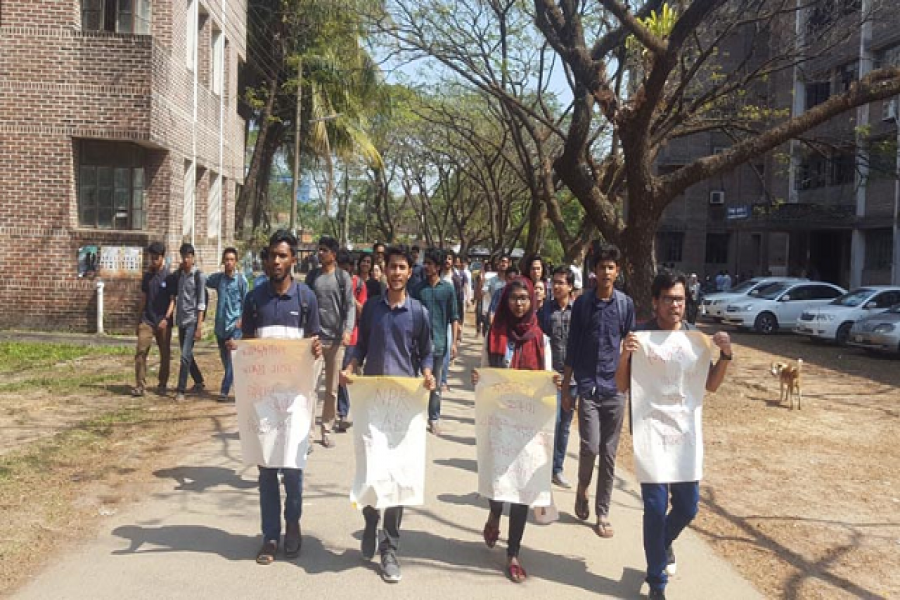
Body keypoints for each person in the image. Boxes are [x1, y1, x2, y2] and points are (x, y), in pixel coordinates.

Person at [614, 271, 732, 600]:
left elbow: (711, 385)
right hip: (650, 433)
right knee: (654, 507)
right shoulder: (640, 335)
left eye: (680, 299)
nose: (675, 305)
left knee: (688, 507)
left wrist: (725, 355)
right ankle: (657, 582)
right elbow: (621, 384)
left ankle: (662, 541)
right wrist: (625, 354)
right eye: (668, 298)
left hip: (684, 437)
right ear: (655, 301)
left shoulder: (695, 339)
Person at [340, 246, 435, 584]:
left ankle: (390, 548)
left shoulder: (419, 313)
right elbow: (360, 346)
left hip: (404, 408)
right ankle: (369, 519)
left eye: (402, 267)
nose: (396, 272)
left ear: (410, 272)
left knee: (398, 476)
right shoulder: (372, 312)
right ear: (385, 270)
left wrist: (427, 372)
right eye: (391, 267)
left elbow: (427, 352)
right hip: (372, 404)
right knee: (371, 468)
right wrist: (350, 365)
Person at [235, 230, 323, 566]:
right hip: (264, 400)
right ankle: (270, 535)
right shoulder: (255, 299)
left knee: (293, 468)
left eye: (283, 256)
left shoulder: (305, 298)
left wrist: (315, 349)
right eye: (272, 255)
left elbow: (314, 344)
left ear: (293, 259)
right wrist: (238, 351)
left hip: (296, 399)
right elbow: (248, 346)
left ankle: (293, 523)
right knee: (267, 468)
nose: (276, 261)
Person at [472, 277, 552, 584]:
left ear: (532, 301)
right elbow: (483, 372)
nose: (519, 303)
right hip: (499, 421)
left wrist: (553, 383)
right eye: (513, 298)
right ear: (505, 301)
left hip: (528, 425)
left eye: (524, 298)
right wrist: (478, 379)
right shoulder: (495, 334)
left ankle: (513, 552)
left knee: (521, 487)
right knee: (498, 477)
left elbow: (547, 377)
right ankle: (494, 512)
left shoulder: (540, 339)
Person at [561, 242, 635, 538]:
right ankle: (582, 488)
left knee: (609, 453)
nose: (606, 271)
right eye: (602, 266)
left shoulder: (625, 305)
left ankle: (603, 512)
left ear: (617, 272)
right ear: (594, 272)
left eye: (611, 267)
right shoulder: (582, 303)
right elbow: (574, 345)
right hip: (588, 386)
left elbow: (630, 344)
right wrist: (567, 387)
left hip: (615, 388)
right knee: (590, 447)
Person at [305, 236, 356, 448]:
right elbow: (304, 303)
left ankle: (326, 429)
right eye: (319, 250)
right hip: (315, 341)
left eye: (324, 250)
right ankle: (307, 437)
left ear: (333, 255)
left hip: (336, 342)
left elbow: (350, 306)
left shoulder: (342, 277)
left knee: (332, 390)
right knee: (310, 389)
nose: (320, 253)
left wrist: (347, 330)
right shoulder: (312, 277)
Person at [410, 248, 460, 435]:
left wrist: (454, 342)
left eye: (430, 263)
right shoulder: (417, 289)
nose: (426, 266)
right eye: (425, 263)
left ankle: (434, 418)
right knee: (417, 381)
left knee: (436, 384)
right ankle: (416, 417)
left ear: (438, 267)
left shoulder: (447, 289)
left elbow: (454, 317)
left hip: (439, 344)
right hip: (418, 345)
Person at [538, 266, 575, 488]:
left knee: (565, 425)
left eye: (561, 282)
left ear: (570, 286)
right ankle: (543, 465)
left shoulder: (578, 311)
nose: (556, 286)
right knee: (551, 422)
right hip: (550, 377)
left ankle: (557, 468)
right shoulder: (544, 312)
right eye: (554, 282)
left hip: (573, 379)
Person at [206, 247, 248, 401]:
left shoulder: (241, 280)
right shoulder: (219, 279)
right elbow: (205, 280)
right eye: (226, 260)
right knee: (225, 359)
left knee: (232, 359)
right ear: (223, 261)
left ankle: (224, 390)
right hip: (220, 326)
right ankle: (238, 383)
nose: (229, 263)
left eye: (232, 259)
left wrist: (242, 321)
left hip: (235, 326)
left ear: (236, 262)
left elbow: (246, 302)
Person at [168, 243, 207, 403]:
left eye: (188, 257)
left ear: (193, 258)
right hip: (181, 320)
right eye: (183, 256)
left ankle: (181, 390)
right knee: (187, 354)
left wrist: (199, 326)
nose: (185, 260)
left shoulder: (199, 276)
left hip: (192, 320)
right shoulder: (179, 275)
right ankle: (198, 381)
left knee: (184, 356)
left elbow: (201, 302)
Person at [132, 241, 173, 397]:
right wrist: (139, 318)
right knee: (141, 351)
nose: (153, 260)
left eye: (156, 257)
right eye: (152, 257)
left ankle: (162, 383)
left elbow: (172, 300)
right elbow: (143, 297)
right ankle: (140, 385)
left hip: (163, 321)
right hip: (147, 320)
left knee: (165, 353)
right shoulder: (147, 276)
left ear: (163, 257)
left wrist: (166, 319)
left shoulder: (169, 277)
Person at [336, 249, 367, 432]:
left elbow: (363, 310)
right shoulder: (331, 281)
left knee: (344, 375)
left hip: (352, 336)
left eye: (345, 269)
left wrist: (352, 299)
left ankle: (343, 413)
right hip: (331, 337)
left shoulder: (359, 284)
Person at [485, 254, 510, 326]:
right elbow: (482, 295)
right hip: (493, 313)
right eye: (502, 261)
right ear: (498, 263)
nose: (504, 264)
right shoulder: (490, 280)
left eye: (506, 262)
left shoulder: (512, 281)